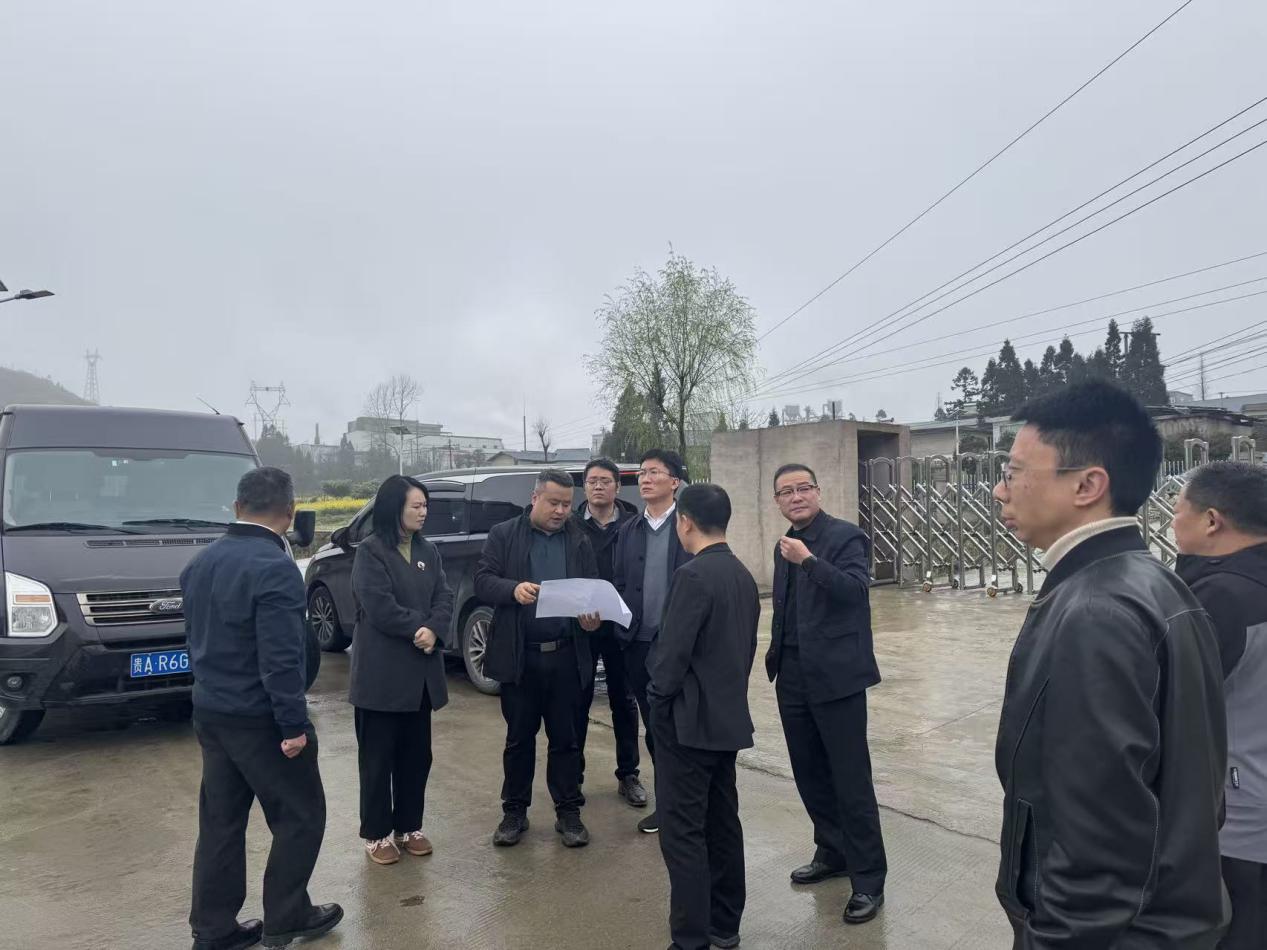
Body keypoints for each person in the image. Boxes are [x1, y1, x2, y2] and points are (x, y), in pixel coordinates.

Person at [992, 381, 1228, 947]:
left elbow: (1096, 843)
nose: (1000, 490)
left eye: (1015, 471)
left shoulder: (1096, 610)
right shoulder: (1152, 586)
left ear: (1087, 485)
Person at [181, 467, 342, 950]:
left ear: (237, 508)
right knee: (300, 815)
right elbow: (281, 658)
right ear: (290, 513)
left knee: (220, 823)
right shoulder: (275, 568)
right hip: (261, 719)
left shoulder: (201, 563)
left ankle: (214, 929)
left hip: (212, 714)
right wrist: (293, 726)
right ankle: (288, 916)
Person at [765, 463, 887, 925]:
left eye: (803, 488)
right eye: (786, 491)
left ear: (817, 492)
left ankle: (868, 879)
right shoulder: (785, 545)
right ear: (777, 501)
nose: (796, 497)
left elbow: (855, 591)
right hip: (793, 674)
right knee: (810, 773)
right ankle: (833, 852)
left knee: (850, 780)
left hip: (837, 678)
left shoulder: (844, 537)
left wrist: (809, 561)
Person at [648, 483, 759, 950]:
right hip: (727, 718)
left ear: (685, 522)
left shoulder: (692, 576)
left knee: (683, 833)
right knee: (722, 823)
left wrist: (658, 701)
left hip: (688, 724)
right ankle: (724, 924)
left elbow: (671, 657)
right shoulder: (742, 575)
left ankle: (690, 938)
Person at [474, 469, 602, 849]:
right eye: (553, 503)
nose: (561, 511)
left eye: (566, 504)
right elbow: (483, 581)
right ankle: (514, 812)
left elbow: (591, 588)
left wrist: (592, 619)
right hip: (521, 658)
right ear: (535, 499)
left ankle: (569, 812)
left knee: (566, 739)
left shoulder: (578, 538)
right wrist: (513, 589)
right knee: (519, 740)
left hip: (565, 656)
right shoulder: (504, 535)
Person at [1173, 461, 1267, 950]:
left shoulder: (1219, 599)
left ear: (1211, 521)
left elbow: (1169, 711)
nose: (1173, 524)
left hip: (1238, 828)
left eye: (1178, 511)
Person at [349, 475, 454, 866]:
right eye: (416, 506)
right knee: (377, 759)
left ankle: (409, 826)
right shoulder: (371, 551)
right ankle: (376, 833)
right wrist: (419, 628)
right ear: (395, 508)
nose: (423, 512)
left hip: (420, 675)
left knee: (416, 756)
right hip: (381, 674)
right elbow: (378, 605)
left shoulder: (429, 550)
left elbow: (444, 595)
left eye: (425, 506)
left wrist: (436, 628)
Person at [613, 448, 692, 834]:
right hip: (638, 644)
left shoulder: (689, 525)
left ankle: (689, 807)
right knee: (655, 727)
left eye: (654, 472)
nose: (645, 479)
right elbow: (619, 581)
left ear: (674, 482)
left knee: (682, 729)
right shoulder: (628, 530)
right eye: (642, 473)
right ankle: (668, 807)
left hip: (678, 645)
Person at [572, 457, 646, 807]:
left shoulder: (635, 524)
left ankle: (629, 774)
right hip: (582, 626)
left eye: (605, 480)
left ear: (617, 486)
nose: (598, 486)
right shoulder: (570, 525)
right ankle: (573, 778)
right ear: (584, 487)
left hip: (622, 626)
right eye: (592, 481)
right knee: (577, 701)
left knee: (624, 701)